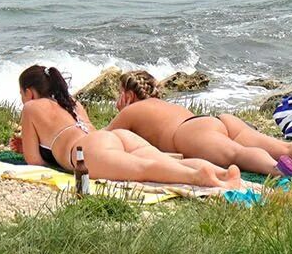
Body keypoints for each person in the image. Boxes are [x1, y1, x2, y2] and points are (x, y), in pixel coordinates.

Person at [105, 70, 292, 179]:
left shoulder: (131, 112)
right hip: (217, 121)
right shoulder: (164, 106)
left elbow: (102, 141)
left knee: (236, 155)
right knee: (283, 147)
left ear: (127, 95)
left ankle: (279, 171)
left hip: (188, 134)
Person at [13, 65, 245, 190]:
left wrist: (29, 149)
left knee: (143, 169)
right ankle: (222, 173)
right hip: (114, 137)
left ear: (29, 92)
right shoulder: (71, 102)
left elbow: (35, 161)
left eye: (22, 94)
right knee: (168, 161)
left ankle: (198, 177)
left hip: (85, 151)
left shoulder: (31, 108)